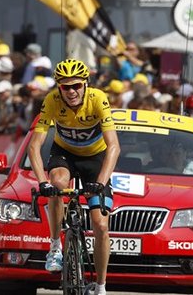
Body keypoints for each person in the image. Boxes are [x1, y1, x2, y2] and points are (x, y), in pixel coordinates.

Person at [28, 59, 120, 295]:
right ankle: (56, 246)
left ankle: (101, 286)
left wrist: (100, 182)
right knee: (57, 184)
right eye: (65, 87)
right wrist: (42, 182)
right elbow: (34, 146)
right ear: (58, 87)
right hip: (65, 153)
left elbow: (113, 147)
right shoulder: (51, 101)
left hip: (95, 157)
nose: (71, 92)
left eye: (76, 86)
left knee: (100, 224)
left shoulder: (98, 99)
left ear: (86, 84)